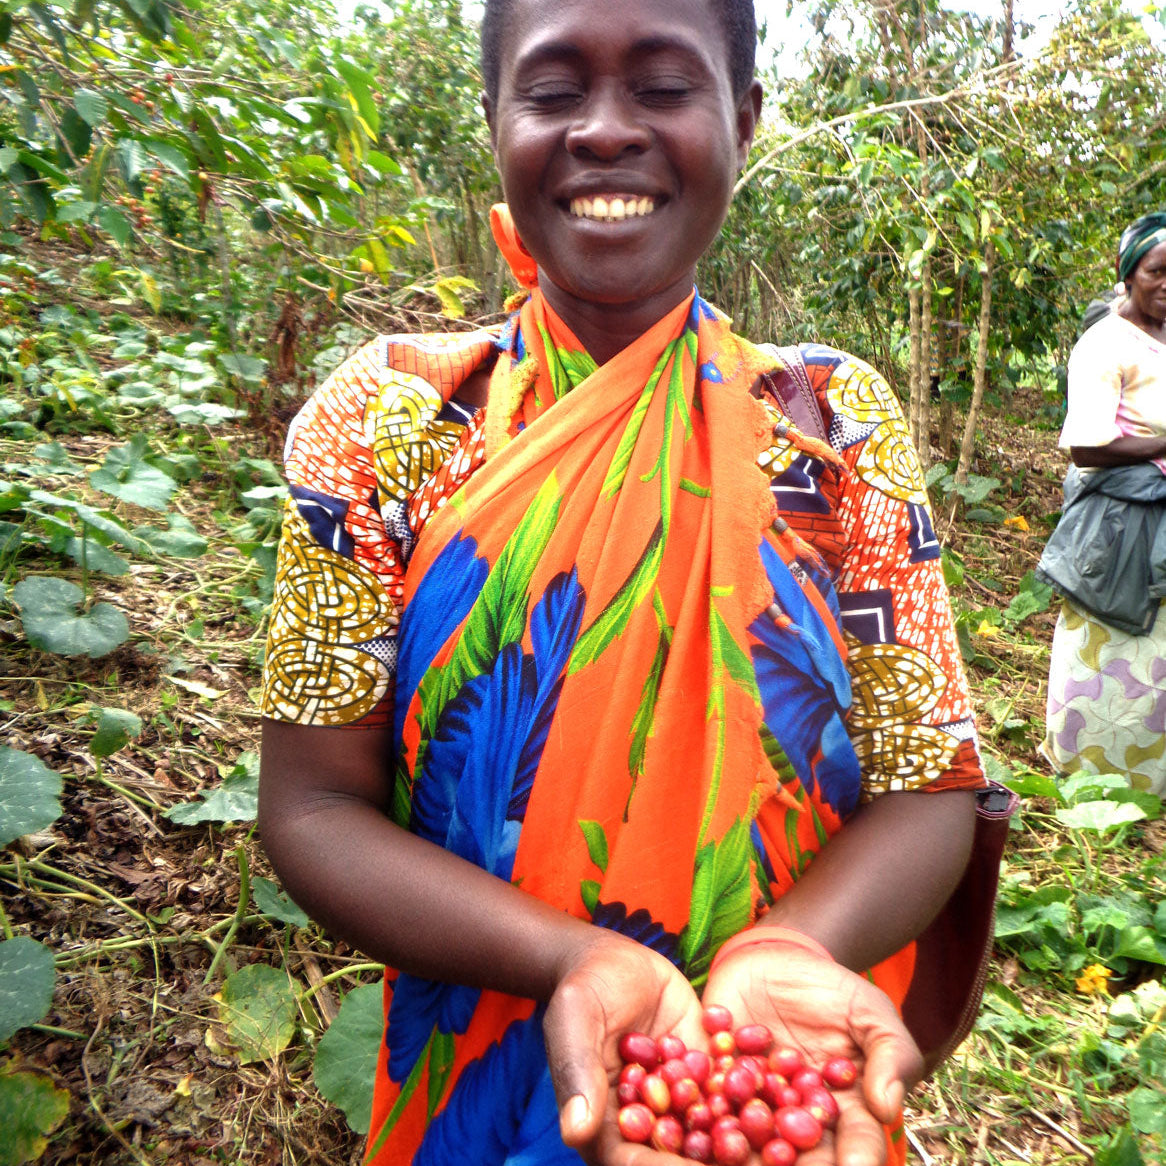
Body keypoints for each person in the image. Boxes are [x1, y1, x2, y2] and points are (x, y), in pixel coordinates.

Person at [257, 1, 992, 1163]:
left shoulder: (830, 425)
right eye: (551, 92)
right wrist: (568, 958)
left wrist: (789, 949)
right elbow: (310, 808)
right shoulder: (388, 419)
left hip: (772, 1099)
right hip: (473, 1088)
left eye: (661, 87)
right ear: (493, 120)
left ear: (741, 121)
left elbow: (928, 785)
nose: (605, 131)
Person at [1040, 212, 1166, 796]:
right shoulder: (1106, 344)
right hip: (1120, 519)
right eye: (1156, 272)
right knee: (1107, 636)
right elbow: (1088, 447)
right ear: (1130, 273)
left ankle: (1151, 777)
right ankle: (1087, 771)